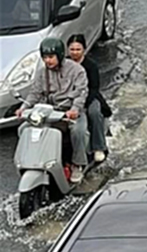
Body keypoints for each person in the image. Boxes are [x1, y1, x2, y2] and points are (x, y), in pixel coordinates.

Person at [17, 38, 90, 183]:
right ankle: (33, 160)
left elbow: (82, 92)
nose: (48, 61)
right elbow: (35, 93)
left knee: (79, 131)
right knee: (23, 129)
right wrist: (23, 108)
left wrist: (74, 109)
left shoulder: (76, 70)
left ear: (60, 55)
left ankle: (77, 164)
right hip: (48, 111)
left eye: (51, 57)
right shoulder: (42, 72)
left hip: (69, 111)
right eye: (45, 57)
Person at [67, 34, 110, 163]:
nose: (75, 52)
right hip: (69, 98)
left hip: (90, 97)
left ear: (84, 50)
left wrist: (82, 103)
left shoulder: (91, 66)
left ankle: (99, 147)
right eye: (72, 49)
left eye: (78, 49)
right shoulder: (65, 64)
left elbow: (94, 88)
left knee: (95, 113)